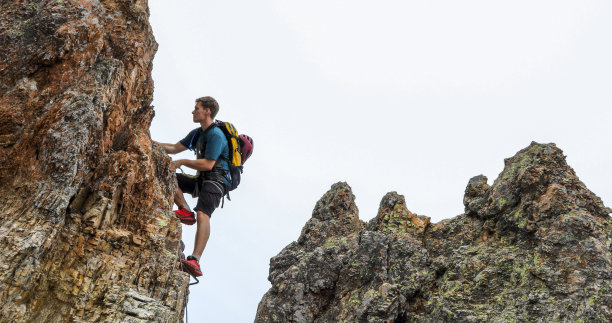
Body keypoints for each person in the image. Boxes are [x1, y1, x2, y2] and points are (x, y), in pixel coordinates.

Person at [154, 96, 230, 277]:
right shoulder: (197, 133)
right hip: (202, 179)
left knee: (203, 213)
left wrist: (182, 162)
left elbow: (209, 164)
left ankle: (195, 260)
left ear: (207, 111)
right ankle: (185, 210)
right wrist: (149, 142)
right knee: (168, 175)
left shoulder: (216, 134)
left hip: (216, 180)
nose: (193, 111)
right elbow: (173, 148)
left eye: (197, 108)